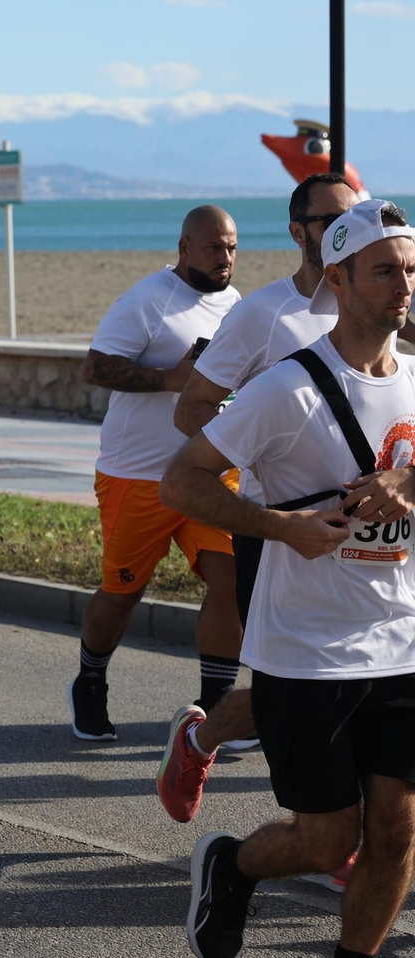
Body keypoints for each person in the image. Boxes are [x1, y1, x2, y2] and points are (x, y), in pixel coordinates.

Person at [163, 198, 415, 958]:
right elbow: (185, 480)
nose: (404, 285)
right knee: (327, 835)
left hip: (404, 640)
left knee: (397, 826)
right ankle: (231, 868)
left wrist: (406, 491)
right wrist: (284, 529)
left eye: (412, 269)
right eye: (386, 269)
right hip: (306, 652)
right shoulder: (287, 389)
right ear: (338, 279)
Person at [156, 174, 360, 825]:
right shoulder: (264, 314)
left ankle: (348, 831)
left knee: (366, 676)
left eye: (351, 218)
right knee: (296, 685)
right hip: (281, 527)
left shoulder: (380, 303)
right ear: (298, 231)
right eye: (329, 221)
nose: (342, 232)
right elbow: (194, 410)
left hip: (376, 532)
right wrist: (265, 447)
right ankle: (202, 741)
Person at [66, 206, 242, 742]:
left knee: (232, 582)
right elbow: (96, 369)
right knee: (123, 592)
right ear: (186, 247)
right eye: (214, 247)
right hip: (136, 475)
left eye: (232, 247)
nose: (225, 258)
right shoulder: (148, 300)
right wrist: (173, 378)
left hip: (211, 473)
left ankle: (217, 704)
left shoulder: (236, 306)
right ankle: (90, 681)